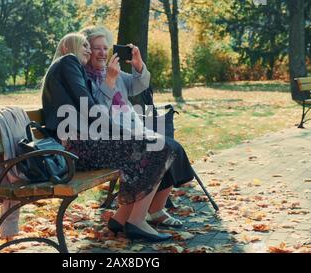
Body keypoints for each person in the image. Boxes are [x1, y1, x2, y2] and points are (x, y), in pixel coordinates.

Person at [42, 33, 177, 242]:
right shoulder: (69, 62)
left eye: (90, 45)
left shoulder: (72, 68)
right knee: (156, 147)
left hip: (80, 145)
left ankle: (122, 218)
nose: (88, 50)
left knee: (155, 146)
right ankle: (136, 221)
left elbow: (90, 108)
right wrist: (123, 132)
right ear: (69, 48)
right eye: (84, 45)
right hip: (74, 149)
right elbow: (90, 108)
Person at [80, 26, 196, 227]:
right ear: (87, 51)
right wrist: (109, 81)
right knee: (159, 149)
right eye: (96, 48)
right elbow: (96, 112)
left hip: (134, 131)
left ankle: (156, 210)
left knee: (173, 148)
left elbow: (139, 85)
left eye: (105, 48)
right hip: (113, 139)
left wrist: (138, 66)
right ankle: (133, 216)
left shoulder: (113, 72)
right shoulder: (85, 78)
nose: (102, 53)